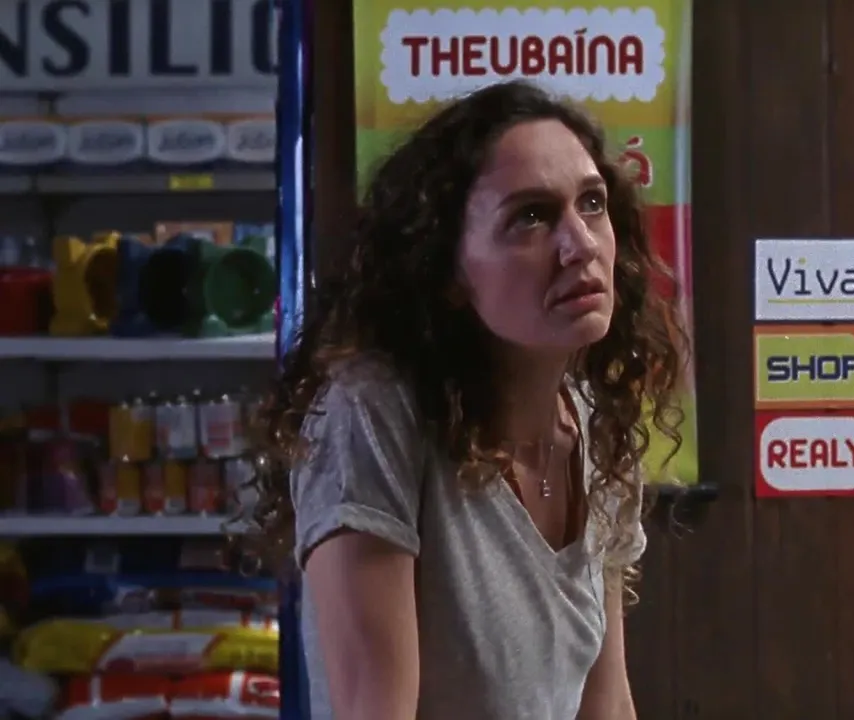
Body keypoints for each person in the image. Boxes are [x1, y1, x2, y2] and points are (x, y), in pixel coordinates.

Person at [247, 80, 687, 719]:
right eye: (531, 216)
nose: (582, 244)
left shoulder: (592, 421)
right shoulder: (371, 413)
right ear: (447, 269)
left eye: (592, 203)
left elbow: (609, 705)